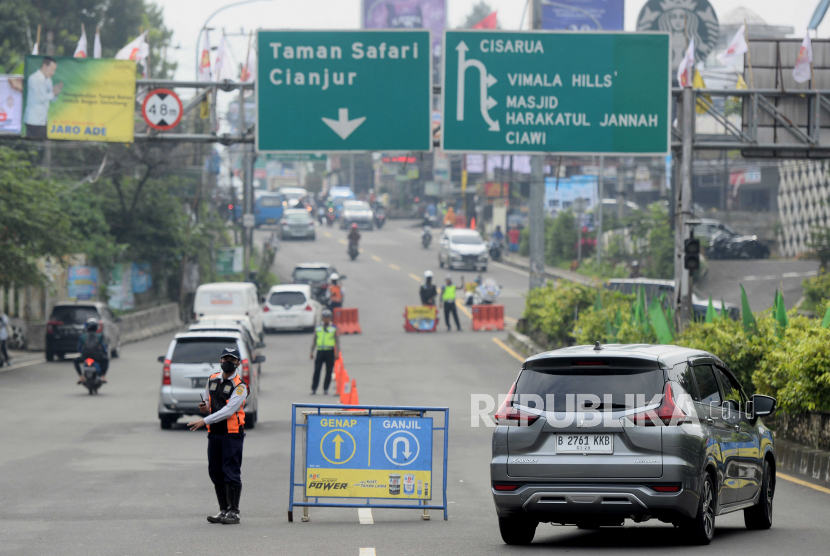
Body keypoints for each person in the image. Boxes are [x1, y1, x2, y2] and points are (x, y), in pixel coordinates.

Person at [188, 347, 249, 525]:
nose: (228, 362)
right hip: (214, 434)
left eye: (232, 359)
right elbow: (208, 400)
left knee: (231, 472)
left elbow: (228, 411)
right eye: (225, 358)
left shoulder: (240, 387)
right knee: (215, 472)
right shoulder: (213, 379)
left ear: (238, 363)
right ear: (220, 361)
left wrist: (204, 420)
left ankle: (234, 512)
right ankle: (223, 509)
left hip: (232, 435)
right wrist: (204, 407)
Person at [23, 57, 62, 139]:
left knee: (42, 144)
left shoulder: (48, 80)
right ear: (44, 66)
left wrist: (56, 93)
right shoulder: (34, 78)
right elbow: (39, 99)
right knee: (33, 145)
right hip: (33, 120)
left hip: (43, 120)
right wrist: (53, 93)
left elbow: (52, 98)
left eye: (54, 70)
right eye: (51, 70)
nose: (53, 73)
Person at [309, 309, 340, 395]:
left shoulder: (333, 328)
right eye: (324, 318)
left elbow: (337, 341)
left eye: (327, 318)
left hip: (330, 352)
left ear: (330, 318)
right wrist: (311, 351)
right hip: (320, 352)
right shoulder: (318, 328)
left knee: (329, 371)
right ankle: (314, 388)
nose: (325, 319)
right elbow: (314, 340)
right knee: (317, 371)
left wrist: (337, 352)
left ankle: (325, 388)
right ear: (322, 318)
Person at [73, 319, 109, 383]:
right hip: (97, 356)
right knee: (106, 360)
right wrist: (104, 351)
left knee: (76, 361)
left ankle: (81, 377)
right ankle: (103, 376)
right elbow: (103, 347)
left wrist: (83, 352)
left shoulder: (83, 336)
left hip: (85, 356)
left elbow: (79, 348)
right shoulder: (99, 336)